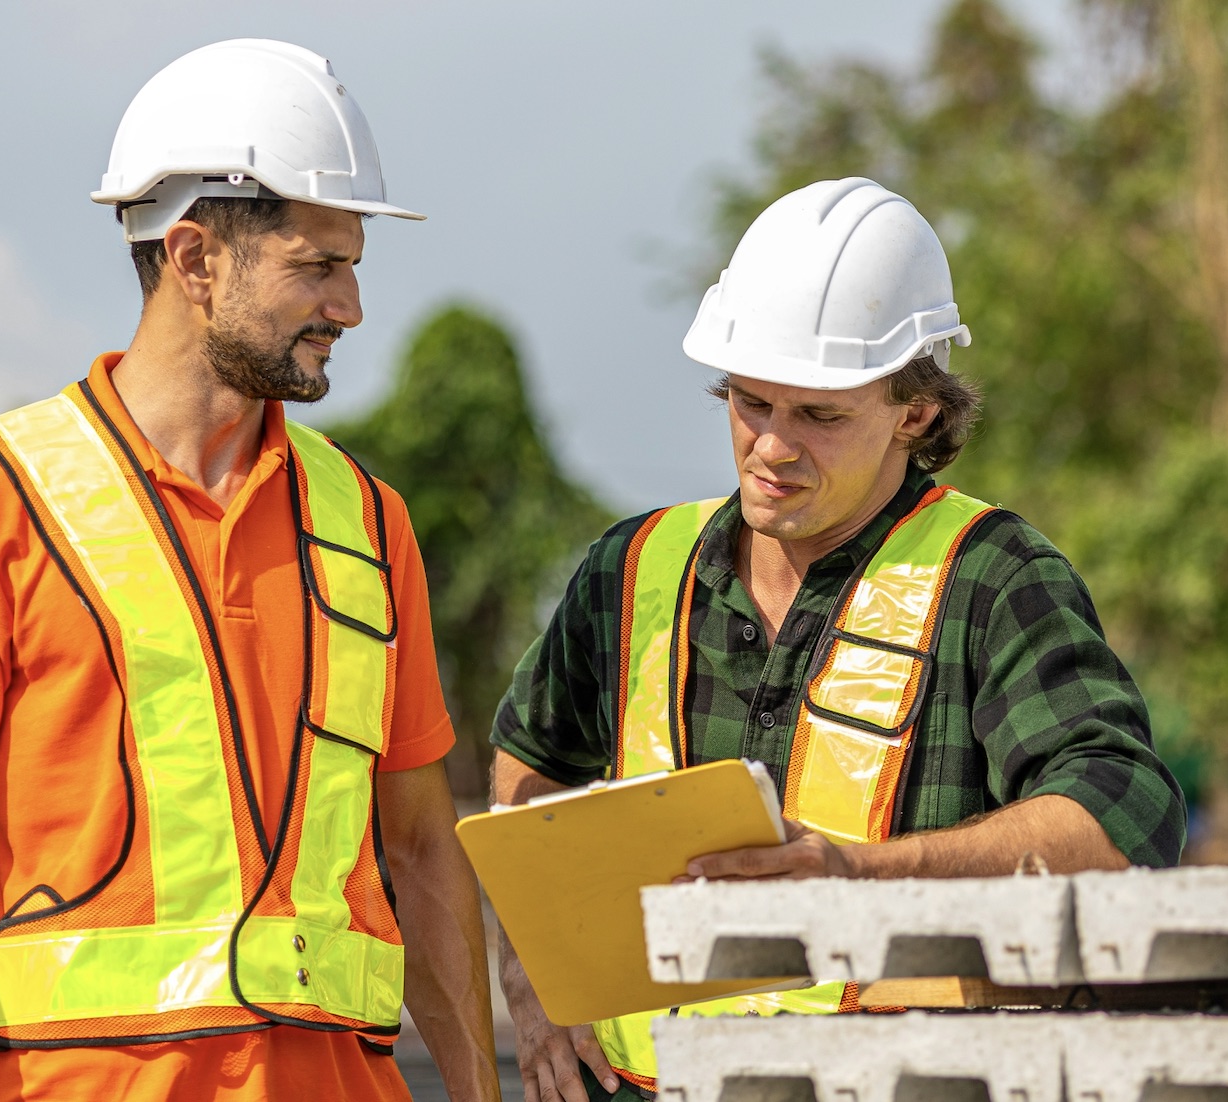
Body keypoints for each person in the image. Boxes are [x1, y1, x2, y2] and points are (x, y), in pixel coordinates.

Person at [0, 40, 498, 1102]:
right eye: (316, 265)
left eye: (354, 264)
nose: (352, 307)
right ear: (194, 259)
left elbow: (419, 849)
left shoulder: (370, 523)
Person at [490, 177, 1187, 1102]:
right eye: (749, 404)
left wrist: (860, 876)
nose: (772, 449)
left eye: (819, 415)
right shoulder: (630, 571)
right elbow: (529, 763)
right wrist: (535, 977)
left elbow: (1124, 817)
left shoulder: (992, 578)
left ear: (917, 413)